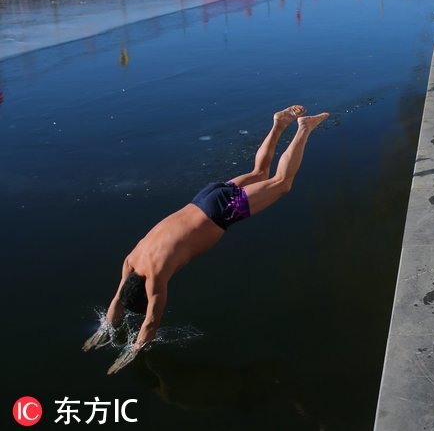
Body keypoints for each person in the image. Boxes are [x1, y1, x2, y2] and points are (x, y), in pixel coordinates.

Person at [83, 105, 330, 374]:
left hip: (221, 211)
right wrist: (101, 333)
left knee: (283, 183)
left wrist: (132, 353)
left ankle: (303, 128)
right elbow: (118, 299)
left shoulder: (156, 277)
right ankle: (278, 124)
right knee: (259, 173)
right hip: (204, 198)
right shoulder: (131, 260)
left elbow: (152, 322)